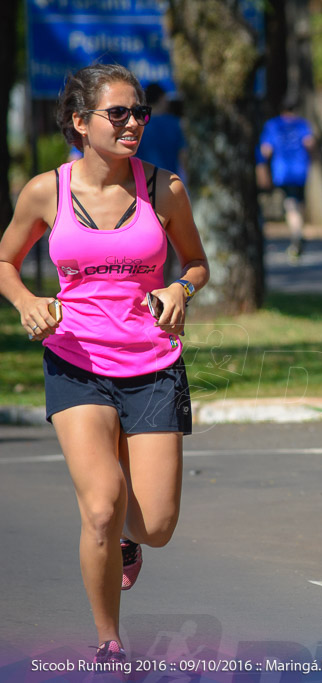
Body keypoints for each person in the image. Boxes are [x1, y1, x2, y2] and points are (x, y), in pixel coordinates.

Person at [0, 63, 209, 667]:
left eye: (139, 112)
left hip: (152, 362)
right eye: (118, 113)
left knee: (158, 523)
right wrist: (27, 302)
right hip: (76, 360)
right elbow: (6, 262)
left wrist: (181, 291)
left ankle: (128, 540)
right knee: (99, 502)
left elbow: (194, 262)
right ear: (79, 121)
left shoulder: (163, 188)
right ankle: (109, 642)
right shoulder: (47, 191)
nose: (133, 123)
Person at [259, 97, 315, 261]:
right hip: (300, 169)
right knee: (300, 202)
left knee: (290, 205)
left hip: (282, 170)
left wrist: (263, 168)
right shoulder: (302, 124)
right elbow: (310, 143)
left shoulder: (273, 125)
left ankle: (296, 233)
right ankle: (299, 230)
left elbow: (266, 150)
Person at [135, 82, 186, 179]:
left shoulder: (138, 125)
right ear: (162, 99)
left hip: (142, 182)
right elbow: (183, 156)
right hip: (170, 182)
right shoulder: (175, 123)